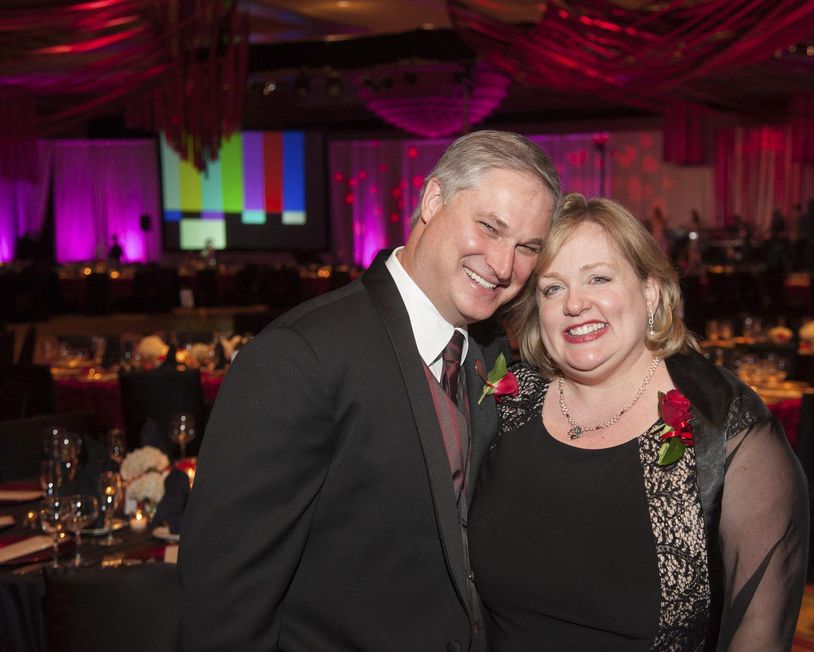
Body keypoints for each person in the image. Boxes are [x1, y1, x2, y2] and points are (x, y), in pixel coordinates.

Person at [178, 131, 561, 650]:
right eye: (490, 228)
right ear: (432, 201)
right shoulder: (301, 356)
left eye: (526, 248)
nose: (502, 264)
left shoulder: (488, 353)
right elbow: (223, 604)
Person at [469, 194, 808, 650]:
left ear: (650, 291)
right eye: (552, 288)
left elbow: (759, 636)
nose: (575, 304)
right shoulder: (506, 405)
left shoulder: (725, 430)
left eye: (599, 278)